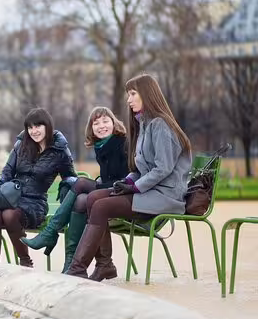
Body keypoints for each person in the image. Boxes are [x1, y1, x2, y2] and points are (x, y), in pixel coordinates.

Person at [66, 74, 192, 280]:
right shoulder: (144, 125)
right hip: (149, 190)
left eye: (133, 93)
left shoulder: (160, 125)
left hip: (165, 196)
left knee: (101, 206)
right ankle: (104, 265)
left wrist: (135, 187)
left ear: (147, 94)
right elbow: (141, 168)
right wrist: (127, 182)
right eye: (128, 94)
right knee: (92, 198)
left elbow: (163, 169)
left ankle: (77, 269)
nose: (129, 99)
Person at [20, 106, 128, 276]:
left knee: (81, 184)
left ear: (114, 123)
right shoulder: (102, 146)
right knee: (80, 200)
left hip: (124, 192)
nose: (101, 126)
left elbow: (126, 177)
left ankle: (51, 232)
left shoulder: (123, 143)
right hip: (109, 191)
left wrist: (100, 185)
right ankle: (76, 263)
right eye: (96, 123)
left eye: (106, 121)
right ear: (91, 128)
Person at [0, 108, 77, 268]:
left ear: (47, 126)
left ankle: (25, 261)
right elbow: (7, 171)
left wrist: (67, 186)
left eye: (38, 126)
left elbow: (70, 176)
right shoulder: (21, 145)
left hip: (35, 204)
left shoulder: (60, 150)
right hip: (12, 197)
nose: (34, 131)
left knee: (8, 216)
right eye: (30, 127)